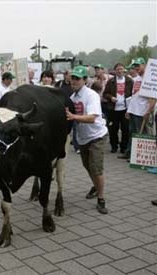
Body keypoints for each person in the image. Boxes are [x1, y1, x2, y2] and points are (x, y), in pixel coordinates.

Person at [65, 66, 109, 214]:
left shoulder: (91, 95)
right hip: (83, 138)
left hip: (97, 136)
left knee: (96, 168)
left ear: (85, 80)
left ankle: (101, 198)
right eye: (73, 78)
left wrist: (73, 117)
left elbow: (92, 118)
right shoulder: (72, 98)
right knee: (88, 166)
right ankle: (96, 186)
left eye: (78, 78)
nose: (74, 81)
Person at [118, 57, 156, 160]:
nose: (136, 68)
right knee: (132, 133)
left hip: (141, 112)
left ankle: (138, 157)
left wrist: (148, 111)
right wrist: (129, 110)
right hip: (134, 111)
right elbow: (134, 95)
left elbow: (153, 97)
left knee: (140, 134)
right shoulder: (137, 79)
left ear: (144, 65)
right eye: (134, 66)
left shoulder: (149, 80)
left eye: (138, 65)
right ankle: (129, 153)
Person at [103, 63, 133, 153]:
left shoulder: (129, 81)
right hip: (113, 109)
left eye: (121, 69)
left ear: (124, 70)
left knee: (125, 129)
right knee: (113, 129)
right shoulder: (111, 81)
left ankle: (123, 147)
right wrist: (111, 98)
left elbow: (133, 94)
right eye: (118, 69)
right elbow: (105, 94)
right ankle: (114, 146)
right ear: (115, 71)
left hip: (125, 109)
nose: (120, 71)